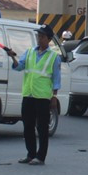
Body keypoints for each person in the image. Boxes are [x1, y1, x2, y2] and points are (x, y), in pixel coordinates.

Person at [6, 25, 61, 165]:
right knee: (27, 126)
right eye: (38, 36)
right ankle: (31, 154)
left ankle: (40, 157)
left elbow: (56, 78)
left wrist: (54, 96)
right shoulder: (30, 52)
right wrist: (13, 57)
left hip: (43, 97)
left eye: (42, 36)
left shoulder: (54, 57)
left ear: (49, 39)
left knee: (42, 128)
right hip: (28, 94)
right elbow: (19, 67)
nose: (39, 38)